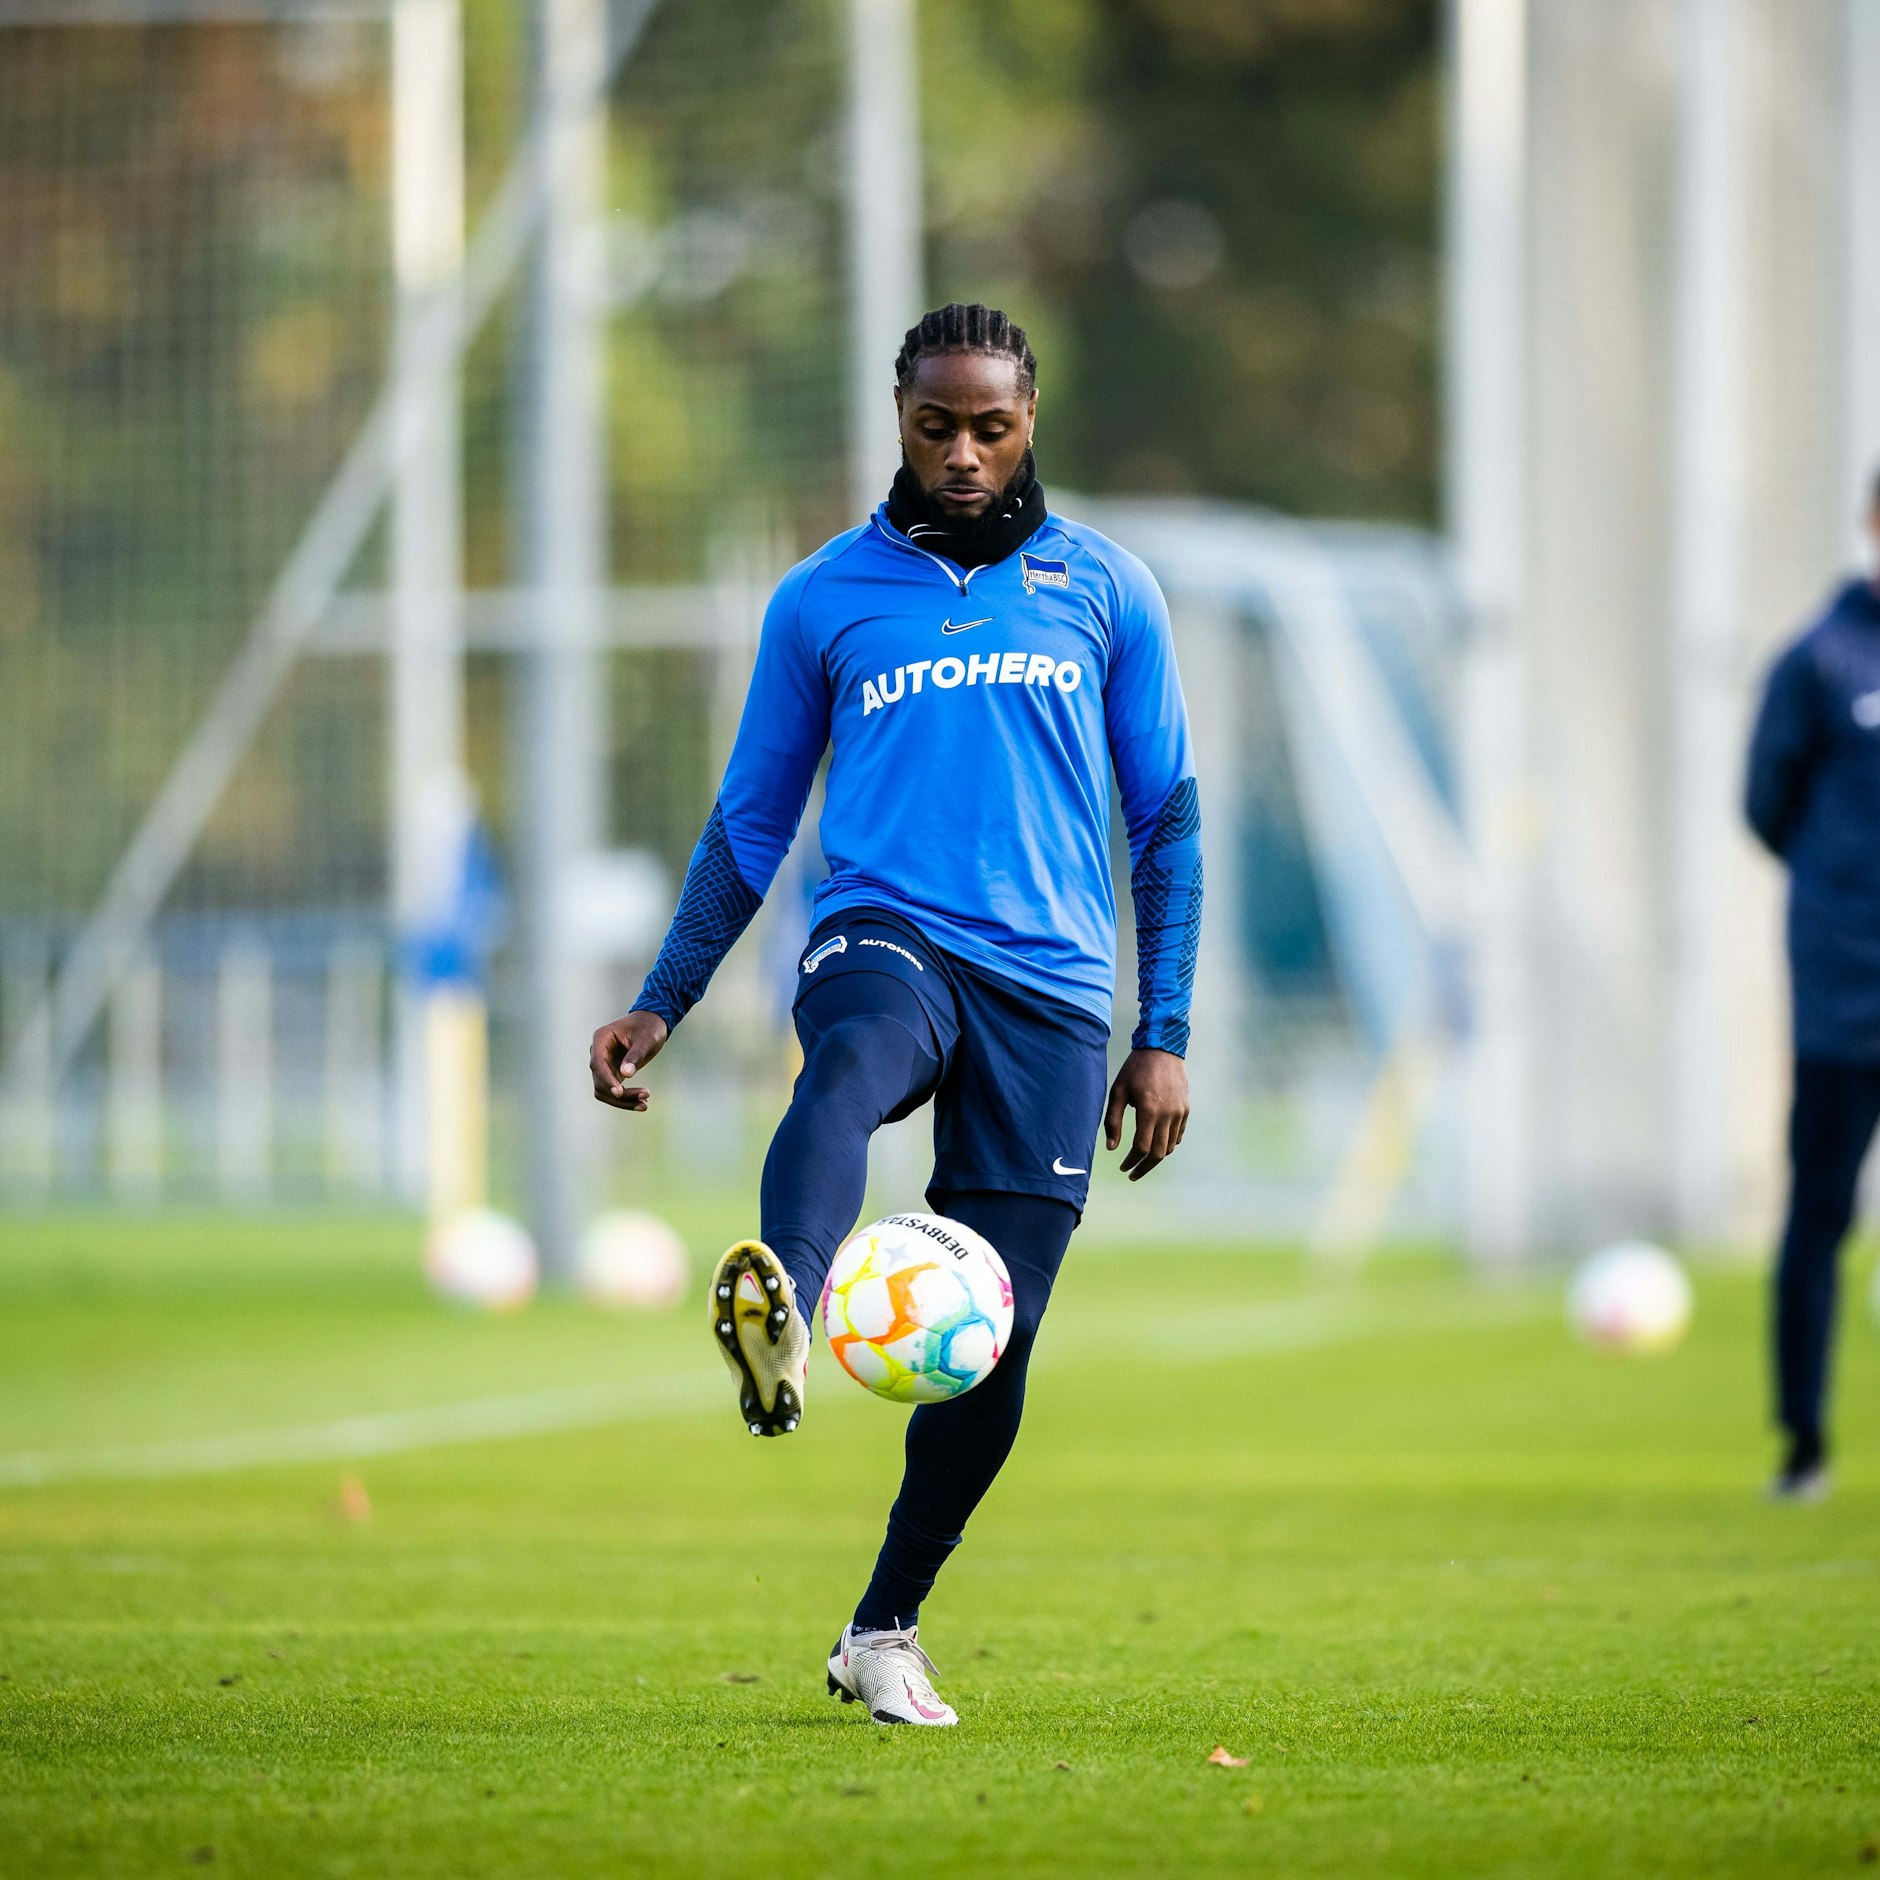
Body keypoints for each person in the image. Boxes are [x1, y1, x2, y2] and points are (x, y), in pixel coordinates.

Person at [589, 303, 1201, 1723]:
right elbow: (748, 827)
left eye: (992, 426)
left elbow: (1166, 818)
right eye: (939, 427)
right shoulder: (823, 599)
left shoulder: (1108, 590)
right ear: (901, 419)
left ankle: (883, 1628)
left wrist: (1160, 1031)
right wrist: (661, 998)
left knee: (994, 1334)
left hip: (1052, 987)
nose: (966, 453)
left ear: (1031, 415)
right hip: (885, 931)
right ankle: (783, 1310)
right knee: (851, 1061)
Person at [1744, 469, 1880, 1502]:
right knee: (1819, 1210)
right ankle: (1802, 1443)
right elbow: (1764, 803)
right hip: (1844, 988)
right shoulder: (1816, 657)